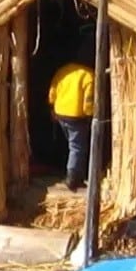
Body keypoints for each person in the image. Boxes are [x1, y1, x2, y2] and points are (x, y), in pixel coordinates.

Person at [48, 60, 96, 191]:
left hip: (61, 113)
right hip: (76, 116)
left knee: (72, 144)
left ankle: (76, 174)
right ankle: (72, 178)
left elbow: (52, 91)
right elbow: (89, 99)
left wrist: (52, 107)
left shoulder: (64, 70)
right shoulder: (89, 75)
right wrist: (90, 115)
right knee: (77, 147)